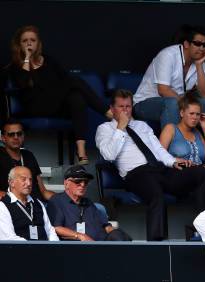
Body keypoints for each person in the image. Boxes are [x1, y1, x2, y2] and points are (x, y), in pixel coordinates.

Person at [95, 89, 205, 240]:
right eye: (121, 107)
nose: (126, 110)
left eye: (128, 106)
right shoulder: (105, 129)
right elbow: (108, 155)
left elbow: (158, 149)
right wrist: (120, 128)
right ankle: (157, 244)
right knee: (156, 194)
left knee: (204, 173)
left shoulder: (142, 126)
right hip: (136, 174)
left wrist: (173, 162)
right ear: (112, 109)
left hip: (159, 169)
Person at [7, 25, 111, 164]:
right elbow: (24, 84)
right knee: (76, 81)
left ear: (38, 43)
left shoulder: (48, 60)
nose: (29, 43)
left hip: (54, 104)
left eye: (33, 40)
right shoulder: (15, 66)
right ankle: (108, 112)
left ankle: (80, 149)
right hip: (34, 107)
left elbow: (64, 79)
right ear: (19, 44)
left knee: (76, 98)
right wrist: (27, 58)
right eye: (25, 41)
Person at [132, 26, 205, 146]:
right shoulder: (168, 55)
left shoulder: (199, 60)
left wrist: (199, 65)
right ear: (186, 44)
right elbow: (163, 90)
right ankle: (176, 152)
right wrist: (188, 107)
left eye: (204, 45)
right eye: (198, 44)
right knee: (172, 103)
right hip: (145, 104)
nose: (202, 48)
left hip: (178, 103)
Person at [47, 165, 131, 241]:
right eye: (78, 182)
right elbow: (56, 228)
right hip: (79, 247)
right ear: (66, 183)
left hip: (102, 244)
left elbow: (106, 226)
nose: (82, 185)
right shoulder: (57, 201)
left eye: (85, 182)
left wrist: (118, 234)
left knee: (120, 237)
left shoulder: (88, 202)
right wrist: (80, 236)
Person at [0, 119, 54, 201]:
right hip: (12, 206)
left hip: (37, 204)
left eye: (19, 134)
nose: (16, 137)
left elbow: (43, 191)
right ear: (3, 138)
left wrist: (62, 199)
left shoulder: (28, 155)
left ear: (23, 136)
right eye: (11, 134)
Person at [0, 166, 58, 240]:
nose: (28, 183)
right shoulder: (2, 206)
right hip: (20, 250)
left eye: (30, 180)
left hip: (44, 249)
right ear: (12, 183)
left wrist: (54, 247)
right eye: (23, 179)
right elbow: (9, 238)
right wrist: (33, 248)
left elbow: (50, 231)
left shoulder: (38, 203)